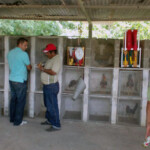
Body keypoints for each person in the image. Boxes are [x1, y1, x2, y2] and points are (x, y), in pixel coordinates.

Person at [7, 38, 32, 126]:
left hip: (12, 79)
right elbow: (29, 67)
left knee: (13, 100)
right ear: (20, 44)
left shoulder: (10, 53)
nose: (26, 47)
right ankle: (18, 121)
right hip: (20, 81)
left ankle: (12, 118)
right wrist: (30, 67)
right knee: (20, 101)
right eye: (25, 45)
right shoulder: (23, 54)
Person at [37, 43, 61, 132]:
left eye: (47, 53)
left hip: (51, 86)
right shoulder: (51, 59)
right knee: (48, 105)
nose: (46, 54)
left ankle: (56, 125)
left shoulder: (56, 59)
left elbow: (53, 72)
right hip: (47, 85)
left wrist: (42, 69)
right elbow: (48, 69)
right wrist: (42, 67)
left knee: (52, 106)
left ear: (53, 52)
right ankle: (50, 120)